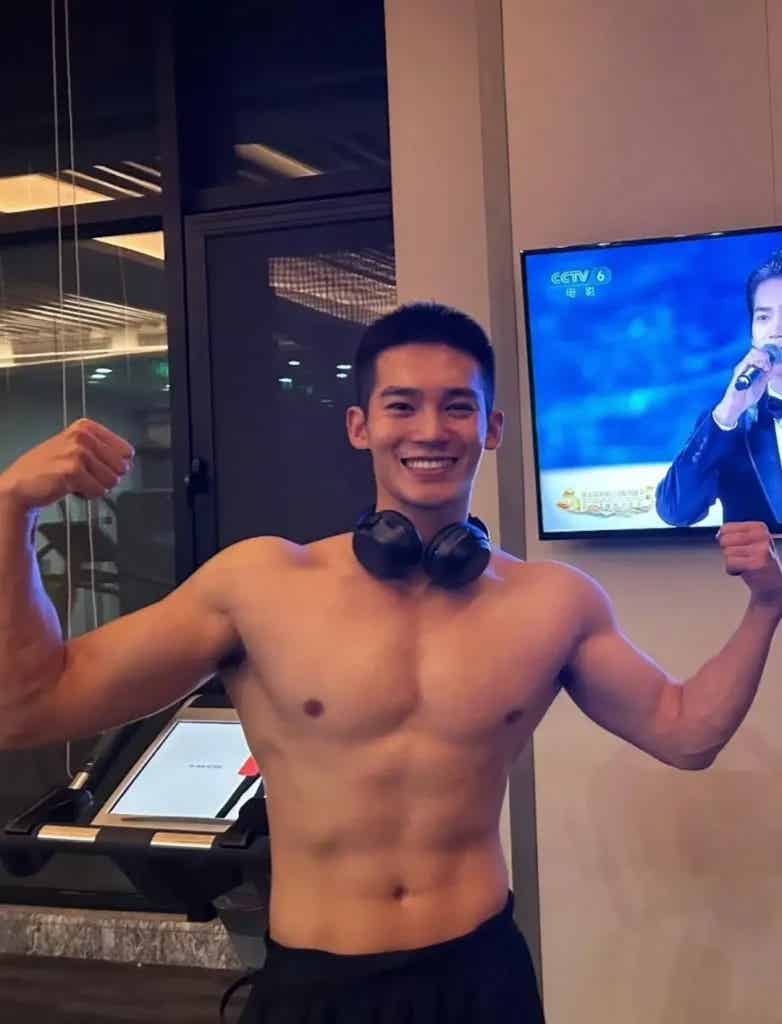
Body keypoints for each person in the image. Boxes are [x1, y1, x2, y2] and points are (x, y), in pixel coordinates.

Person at [1, 302, 781, 1024]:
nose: (431, 429)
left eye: (457, 406)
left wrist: (765, 608)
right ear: (360, 426)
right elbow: (28, 704)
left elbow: (686, 733)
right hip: (318, 986)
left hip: (480, 978)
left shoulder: (553, 604)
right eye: (402, 405)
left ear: (492, 427)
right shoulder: (259, 586)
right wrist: (12, 510)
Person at [657, 250, 782, 528]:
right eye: (763, 317)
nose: (776, 330)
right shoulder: (729, 422)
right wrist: (728, 413)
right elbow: (676, 511)